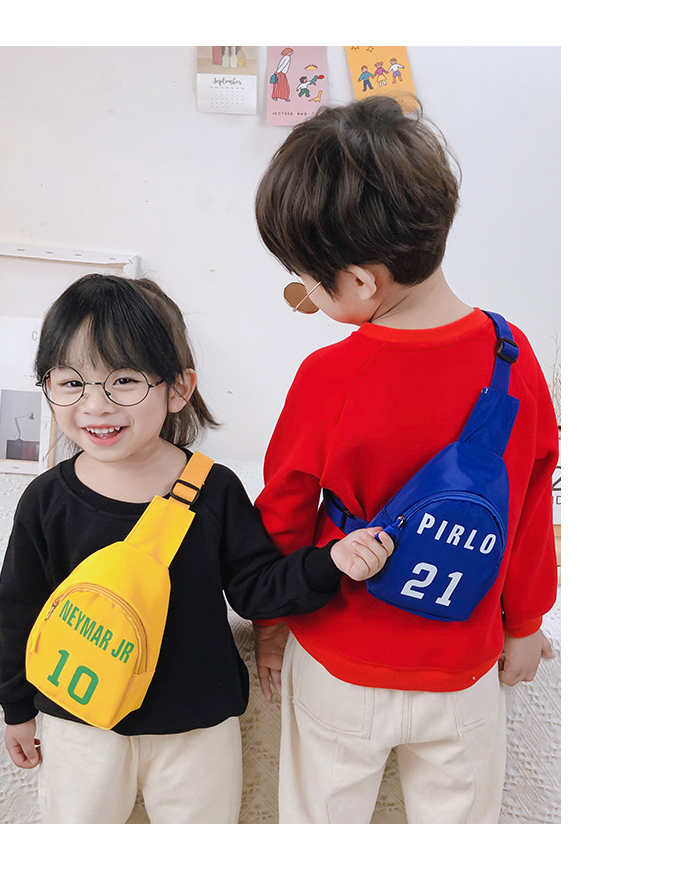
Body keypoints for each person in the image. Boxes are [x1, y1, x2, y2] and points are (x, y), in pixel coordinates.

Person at [0, 273, 393, 824]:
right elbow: (19, 608)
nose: (95, 405)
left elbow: (255, 588)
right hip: (78, 721)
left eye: (124, 380)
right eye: (70, 382)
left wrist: (331, 562)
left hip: (197, 727)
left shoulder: (214, 488)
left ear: (178, 389)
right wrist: (16, 707)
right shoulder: (46, 499)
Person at [253, 96, 558, 824]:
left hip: (340, 663)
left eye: (305, 281)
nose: (305, 294)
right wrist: (525, 624)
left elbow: (285, 510)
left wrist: (270, 618)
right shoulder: (513, 355)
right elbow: (530, 500)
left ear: (360, 282)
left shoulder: (329, 376)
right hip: (463, 666)